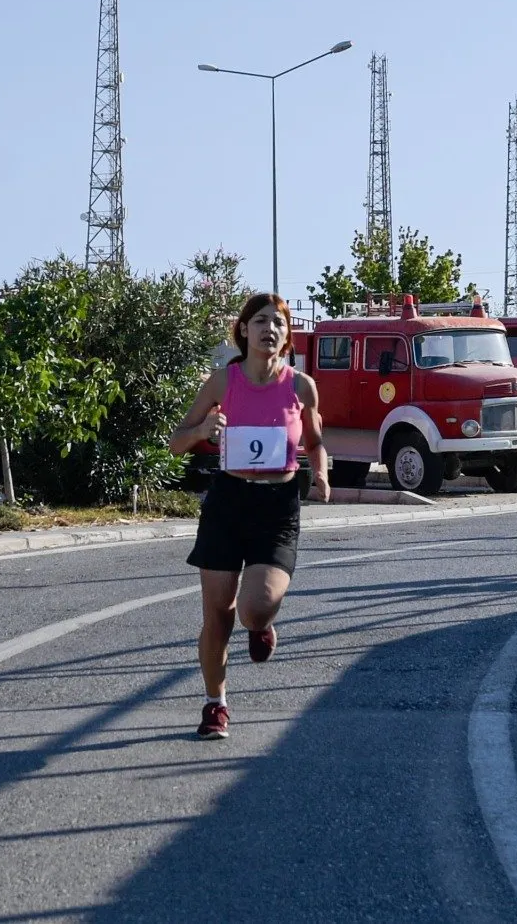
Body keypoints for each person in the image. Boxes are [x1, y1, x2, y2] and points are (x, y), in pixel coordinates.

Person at [168, 293, 330, 740]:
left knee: (254, 609)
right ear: (243, 330)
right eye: (259, 321)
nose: (269, 329)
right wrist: (202, 431)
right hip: (228, 502)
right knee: (217, 614)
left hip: (277, 506)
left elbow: (315, 441)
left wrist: (320, 473)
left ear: (286, 336)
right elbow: (176, 441)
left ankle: (260, 624)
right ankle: (215, 704)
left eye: (278, 323)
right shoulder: (222, 382)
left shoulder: (301, 386)